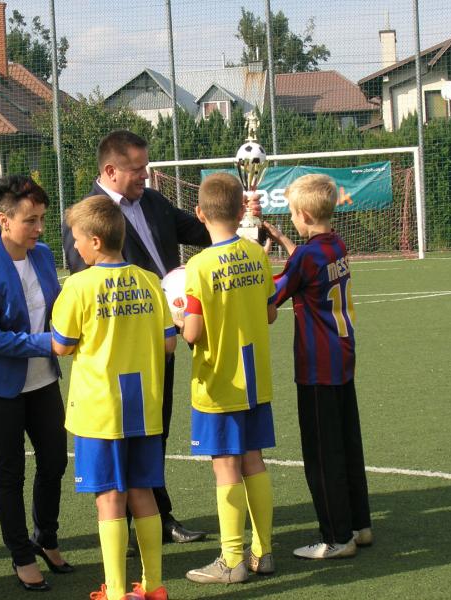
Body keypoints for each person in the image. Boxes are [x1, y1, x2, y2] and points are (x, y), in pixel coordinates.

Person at [62, 129, 208, 545]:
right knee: (120, 439)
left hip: (162, 340)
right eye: (137, 168)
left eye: (146, 166)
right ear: (110, 170)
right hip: (117, 355)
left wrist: (237, 217)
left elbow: (199, 231)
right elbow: (86, 281)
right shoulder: (87, 216)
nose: (145, 175)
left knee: (154, 431)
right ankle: (125, 528)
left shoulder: (154, 201)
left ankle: (158, 517)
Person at [52, 195, 176, 600]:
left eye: (76, 239)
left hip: (100, 409)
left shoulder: (78, 286)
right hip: (143, 406)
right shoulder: (149, 280)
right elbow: (169, 343)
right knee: (143, 493)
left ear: (95, 241)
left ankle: (118, 591)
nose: (74, 246)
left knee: (109, 498)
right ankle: (154, 586)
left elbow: (62, 345)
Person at [0, 175, 72, 592]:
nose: (39, 229)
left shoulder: (42, 255)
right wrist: (47, 342)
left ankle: (46, 538)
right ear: (3, 220)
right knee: (11, 471)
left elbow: (58, 307)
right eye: (30, 220)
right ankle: (21, 554)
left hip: (43, 381)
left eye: (42, 219)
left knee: (55, 461)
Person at [263, 174, 372, 559]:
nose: (292, 219)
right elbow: (307, 263)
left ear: (305, 215)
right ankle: (359, 524)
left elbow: (274, 293)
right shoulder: (335, 244)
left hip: (317, 366)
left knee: (322, 455)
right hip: (342, 358)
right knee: (348, 443)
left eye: (293, 214)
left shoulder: (306, 258)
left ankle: (336, 537)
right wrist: (283, 240)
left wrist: (257, 260)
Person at [179, 173, 277, 585]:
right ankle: (263, 551)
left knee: (225, 467)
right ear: (241, 212)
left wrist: (177, 319)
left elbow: (192, 333)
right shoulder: (256, 253)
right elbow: (270, 313)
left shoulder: (198, 266)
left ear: (200, 214)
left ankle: (232, 560)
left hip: (220, 380)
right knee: (254, 460)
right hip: (256, 377)